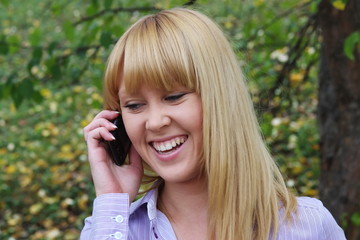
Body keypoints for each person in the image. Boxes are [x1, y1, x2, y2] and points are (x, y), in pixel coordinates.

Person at [80, 7, 346, 240]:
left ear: (219, 96)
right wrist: (111, 198)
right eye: (134, 105)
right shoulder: (110, 229)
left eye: (174, 97)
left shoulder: (307, 227)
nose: (156, 122)